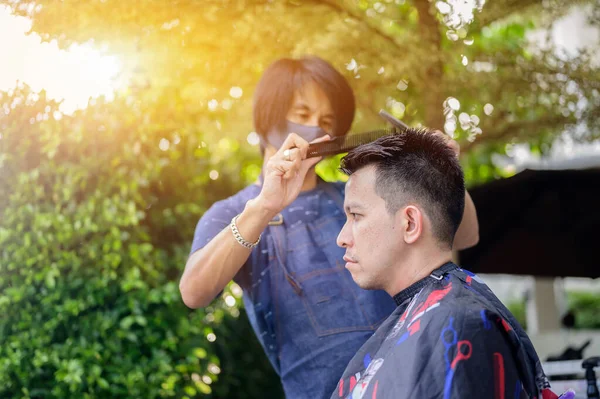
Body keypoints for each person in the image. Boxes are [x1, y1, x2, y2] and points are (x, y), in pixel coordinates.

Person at [179, 56, 480, 399]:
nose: (316, 130)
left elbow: (464, 235)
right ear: (268, 119)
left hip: (416, 382)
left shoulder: (357, 192)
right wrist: (265, 205)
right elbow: (194, 293)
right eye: (302, 115)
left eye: (326, 121)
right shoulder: (235, 212)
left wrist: (447, 169)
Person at [331, 129, 559, 399]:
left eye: (355, 215)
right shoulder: (449, 313)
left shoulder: (462, 326)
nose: (341, 238)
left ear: (410, 223)